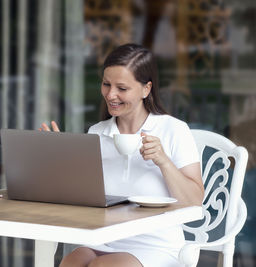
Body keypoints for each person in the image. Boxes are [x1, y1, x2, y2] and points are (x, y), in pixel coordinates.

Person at [39, 43, 204, 267]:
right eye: (106, 84)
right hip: (102, 239)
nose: (111, 94)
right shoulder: (97, 132)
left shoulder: (173, 130)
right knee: (71, 262)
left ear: (146, 89)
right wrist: (62, 158)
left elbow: (195, 201)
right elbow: (82, 199)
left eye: (122, 88)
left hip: (156, 245)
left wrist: (163, 162)